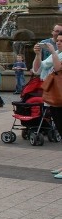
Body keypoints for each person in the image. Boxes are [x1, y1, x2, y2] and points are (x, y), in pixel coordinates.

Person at [34, 34, 62, 178]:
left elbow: (58, 68)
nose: (58, 43)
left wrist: (51, 51)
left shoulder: (56, 54)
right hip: (53, 95)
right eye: (57, 41)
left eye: (61, 41)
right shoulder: (57, 53)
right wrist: (38, 54)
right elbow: (37, 69)